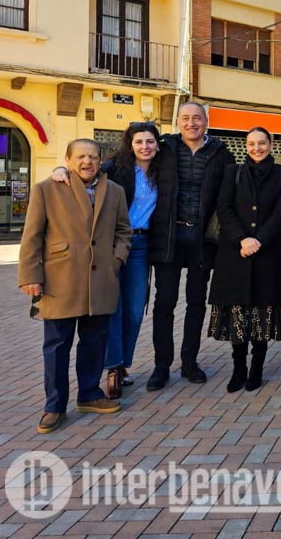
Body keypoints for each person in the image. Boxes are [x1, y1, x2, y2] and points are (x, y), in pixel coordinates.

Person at [19, 139, 132, 434]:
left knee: (94, 342)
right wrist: (31, 275)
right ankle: (54, 406)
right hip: (61, 280)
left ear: (100, 160)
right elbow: (32, 236)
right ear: (68, 159)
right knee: (57, 345)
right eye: (80, 156)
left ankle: (89, 394)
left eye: (93, 157)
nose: (87, 162)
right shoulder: (46, 188)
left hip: (101, 281)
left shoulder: (116, 191)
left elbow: (123, 230)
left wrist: (116, 260)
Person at [147, 101, 232, 390]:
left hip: (202, 241)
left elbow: (234, 190)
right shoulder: (165, 148)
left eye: (197, 118)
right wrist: (65, 170)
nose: (191, 123)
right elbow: (127, 162)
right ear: (178, 121)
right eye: (186, 118)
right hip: (168, 238)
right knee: (165, 303)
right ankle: (161, 366)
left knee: (196, 303)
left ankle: (189, 362)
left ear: (206, 122)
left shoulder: (221, 153)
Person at [208, 127, 281, 392]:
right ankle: (239, 368)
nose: (257, 148)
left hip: (266, 254)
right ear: (246, 146)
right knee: (237, 315)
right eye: (252, 143)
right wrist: (242, 239)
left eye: (262, 143)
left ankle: (256, 368)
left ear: (271, 144)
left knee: (261, 315)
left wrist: (259, 240)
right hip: (235, 254)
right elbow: (224, 208)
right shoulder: (233, 172)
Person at [101, 123, 170, 399]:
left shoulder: (162, 171)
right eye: (139, 141)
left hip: (142, 245)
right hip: (114, 243)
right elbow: (82, 173)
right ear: (130, 144)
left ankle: (123, 363)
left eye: (150, 141)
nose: (145, 147)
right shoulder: (113, 168)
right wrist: (61, 171)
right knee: (113, 308)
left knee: (133, 309)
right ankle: (114, 368)